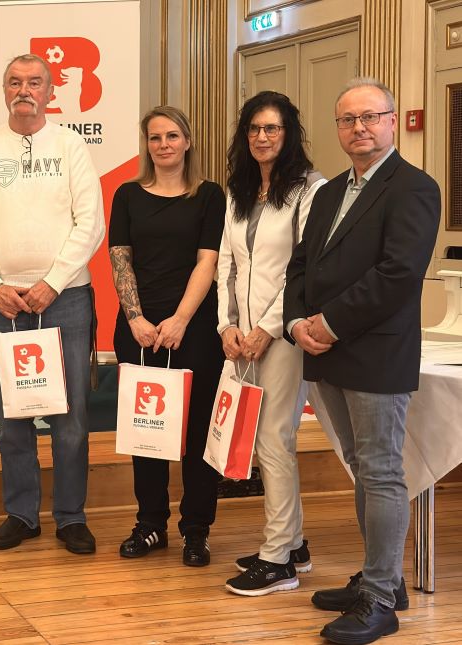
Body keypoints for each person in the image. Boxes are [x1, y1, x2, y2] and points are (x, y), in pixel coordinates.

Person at [284, 77, 440, 644]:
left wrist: (328, 323)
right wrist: (296, 322)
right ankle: (384, 578)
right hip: (326, 353)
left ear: (392, 121)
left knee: (380, 471)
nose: (360, 128)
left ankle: (379, 599)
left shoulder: (414, 187)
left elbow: (398, 274)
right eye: (348, 120)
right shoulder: (329, 193)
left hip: (374, 352)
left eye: (371, 117)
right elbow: (301, 265)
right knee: (360, 467)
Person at [0, 54, 105, 554]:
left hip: (65, 299)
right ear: (4, 91)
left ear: (50, 92)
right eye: (15, 82)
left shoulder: (71, 145)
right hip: (1, 304)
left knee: (71, 418)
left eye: (35, 82)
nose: (24, 90)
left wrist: (53, 283)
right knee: (12, 417)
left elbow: (90, 223)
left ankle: (70, 517)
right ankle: (21, 514)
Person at [217, 91, 326, 595]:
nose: (262, 137)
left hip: (283, 336)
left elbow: (303, 269)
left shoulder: (310, 189)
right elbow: (227, 264)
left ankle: (277, 559)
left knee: (273, 440)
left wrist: (268, 327)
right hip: (242, 338)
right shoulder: (240, 190)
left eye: (272, 129)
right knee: (263, 440)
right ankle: (294, 544)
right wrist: (227, 326)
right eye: (255, 129)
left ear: (289, 134)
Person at [109, 106, 225, 566]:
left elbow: (207, 261)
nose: (163, 145)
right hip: (139, 330)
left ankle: (196, 530)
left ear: (187, 141)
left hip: (194, 329)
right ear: (147, 144)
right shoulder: (128, 194)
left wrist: (180, 319)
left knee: (199, 434)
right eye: (155, 137)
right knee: (147, 432)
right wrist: (136, 318)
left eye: (172, 136)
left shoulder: (209, 195)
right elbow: (120, 257)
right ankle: (150, 524)